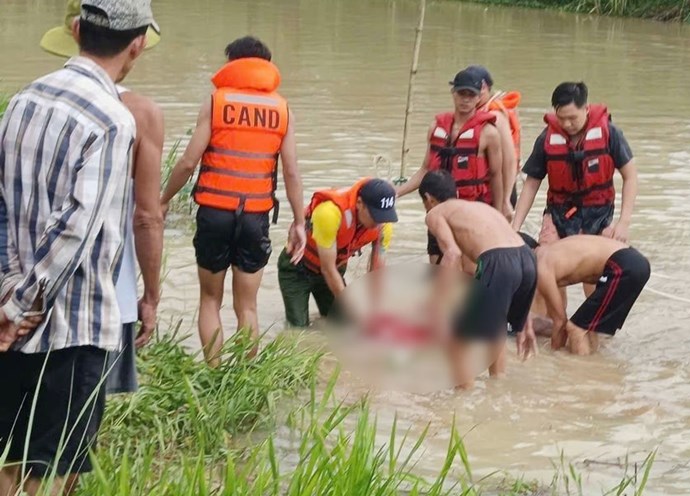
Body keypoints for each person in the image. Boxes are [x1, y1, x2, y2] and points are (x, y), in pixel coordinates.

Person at [0, 1, 156, 493]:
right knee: (53, 471)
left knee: (9, 456)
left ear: (75, 30)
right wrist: (25, 303)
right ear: (136, 45)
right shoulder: (113, 120)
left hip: (10, 320)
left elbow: (1, 204)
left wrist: (8, 294)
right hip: (72, 327)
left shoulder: (24, 99)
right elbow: (76, 227)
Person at [39, 0, 165, 394]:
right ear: (137, 44)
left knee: (25, 417)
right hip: (107, 294)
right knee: (82, 418)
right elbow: (146, 217)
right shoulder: (141, 113)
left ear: (75, 34)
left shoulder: (38, 100)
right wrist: (152, 296)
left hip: (29, 287)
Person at [160, 36, 306, 367]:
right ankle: (244, 376)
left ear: (231, 64)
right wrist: (299, 222)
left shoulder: (217, 102)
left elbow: (187, 162)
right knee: (248, 306)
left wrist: (163, 200)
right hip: (255, 216)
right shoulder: (282, 110)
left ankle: (213, 375)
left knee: (210, 300)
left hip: (214, 214)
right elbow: (292, 173)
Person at [511, 82, 638, 321]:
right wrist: (515, 225)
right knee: (545, 272)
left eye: (572, 118)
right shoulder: (547, 138)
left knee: (597, 280)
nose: (567, 124)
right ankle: (549, 334)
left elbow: (630, 176)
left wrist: (624, 222)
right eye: (562, 118)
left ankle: (591, 333)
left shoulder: (610, 134)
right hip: (558, 215)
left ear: (586, 109)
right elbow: (531, 183)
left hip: (597, 216)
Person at [420, 171, 537, 390]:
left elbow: (452, 254)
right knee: (497, 328)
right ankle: (497, 390)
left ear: (428, 198)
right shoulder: (478, 209)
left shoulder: (435, 213)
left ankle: (461, 399)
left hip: (499, 261)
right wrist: (525, 320)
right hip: (527, 258)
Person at [396, 69, 504, 264]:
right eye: (461, 93)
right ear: (453, 93)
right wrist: (397, 192)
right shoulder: (435, 128)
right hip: (439, 211)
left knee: (469, 267)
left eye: (471, 95)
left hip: (472, 210)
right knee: (437, 264)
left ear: (479, 96)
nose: (465, 100)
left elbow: (496, 175)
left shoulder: (489, 133)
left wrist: (499, 213)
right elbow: (425, 170)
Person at [278, 178, 397, 328]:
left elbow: (376, 273)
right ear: (360, 204)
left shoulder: (384, 226)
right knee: (298, 329)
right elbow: (328, 269)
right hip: (297, 269)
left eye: (384, 216)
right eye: (375, 215)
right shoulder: (330, 213)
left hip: (334, 269)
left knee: (343, 325)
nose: (378, 223)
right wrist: (353, 310)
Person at [524, 234, 650, 356]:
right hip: (634, 262)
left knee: (575, 329)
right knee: (589, 328)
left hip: (623, 266)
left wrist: (554, 356)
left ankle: (578, 374)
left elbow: (560, 321)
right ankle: (593, 368)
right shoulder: (550, 252)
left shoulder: (541, 265)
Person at [468, 65, 522, 215]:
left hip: (501, 189)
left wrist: (504, 200)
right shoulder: (473, 113)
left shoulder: (495, 116)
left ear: (484, 87)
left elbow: (510, 160)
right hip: (482, 189)